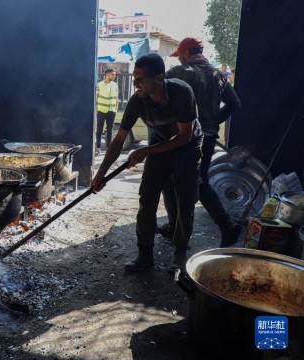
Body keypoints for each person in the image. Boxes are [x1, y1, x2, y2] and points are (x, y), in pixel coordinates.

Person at [91, 53, 203, 273]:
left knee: (185, 199)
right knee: (147, 197)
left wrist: (145, 151)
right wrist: (101, 174)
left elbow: (184, 137)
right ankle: (145, 255)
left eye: (140, 78)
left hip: (187, 147)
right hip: (161, 145)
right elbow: (119, 139)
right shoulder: (137, 102)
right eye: (134, 77)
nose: (135, 83)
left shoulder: (181, 92)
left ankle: (180, 254)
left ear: (159, 78)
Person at [159, 37, 242, 247]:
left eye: (180, 56)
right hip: (208, 136)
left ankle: (176, 228)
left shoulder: (178, 73)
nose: (179, 60)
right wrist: (214, 121)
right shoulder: (218, 74)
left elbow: (158, 96)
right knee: (200, 181)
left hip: (183, 135)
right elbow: (234, 103)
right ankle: (225, 225)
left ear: (186, 53)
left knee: (170, 179)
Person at [95, 69, 119, 155]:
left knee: (110, 130)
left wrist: (115, 109)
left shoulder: (115, 85)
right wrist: (96, 110)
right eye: (113, 74)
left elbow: (116, 98)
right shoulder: (99, 85)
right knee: (99, 130)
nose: (114, 76)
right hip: (101, 111)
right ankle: (98, 148)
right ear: (107, 75)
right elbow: (96, 97)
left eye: (114, 75)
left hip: (111, 111)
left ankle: (109, 148)